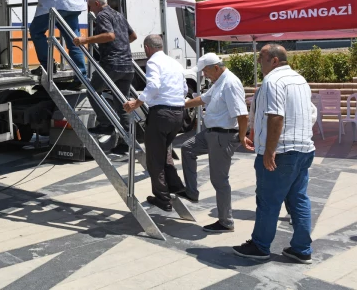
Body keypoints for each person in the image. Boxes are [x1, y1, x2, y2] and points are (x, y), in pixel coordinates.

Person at [232, 44, 316, 264]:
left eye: (261, 58)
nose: (259, 63)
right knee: (298, 199)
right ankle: (302, 249)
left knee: (268, 201)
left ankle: (260, 246)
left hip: (282, 152)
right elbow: (311, 113)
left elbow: (276, 116)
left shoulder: (273, 81)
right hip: (303, 149)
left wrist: (270, 150)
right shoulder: (300, 80)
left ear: (274, 60)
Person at [181, 53, 250, 233]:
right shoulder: (219, 82)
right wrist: (179, 105)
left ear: (216, 68)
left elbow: (242, 115)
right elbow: (203, 99)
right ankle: (191, 192)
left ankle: (226, 222)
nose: (204, 75)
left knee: (219, 180)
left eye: (205, 71)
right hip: (211, 133)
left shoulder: (230, 83)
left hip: (223, 136)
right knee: (187, 148)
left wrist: (242, 137)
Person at [123, 34, 186, 211]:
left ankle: (163, 198)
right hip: (178, 113)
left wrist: (137, 102)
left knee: (154, 159)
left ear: (147, 48)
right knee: (164, 152)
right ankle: (175, 185)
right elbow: (184, 89)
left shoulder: (153, 62)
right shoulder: (174, 63)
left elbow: (153, 86)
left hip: (161, 114)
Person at [73, 0, 137, 153]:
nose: (91, 11)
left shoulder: (102, 15)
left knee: (92, 90)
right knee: (122, 104)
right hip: (127, 65)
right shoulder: (119, 15)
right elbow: (133, 36)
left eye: (91, 7)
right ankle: (127, 143)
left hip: (111, 64)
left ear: (97, 4)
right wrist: (121, 46)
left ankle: (105, 124)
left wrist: (85, 40)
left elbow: (109, 35)